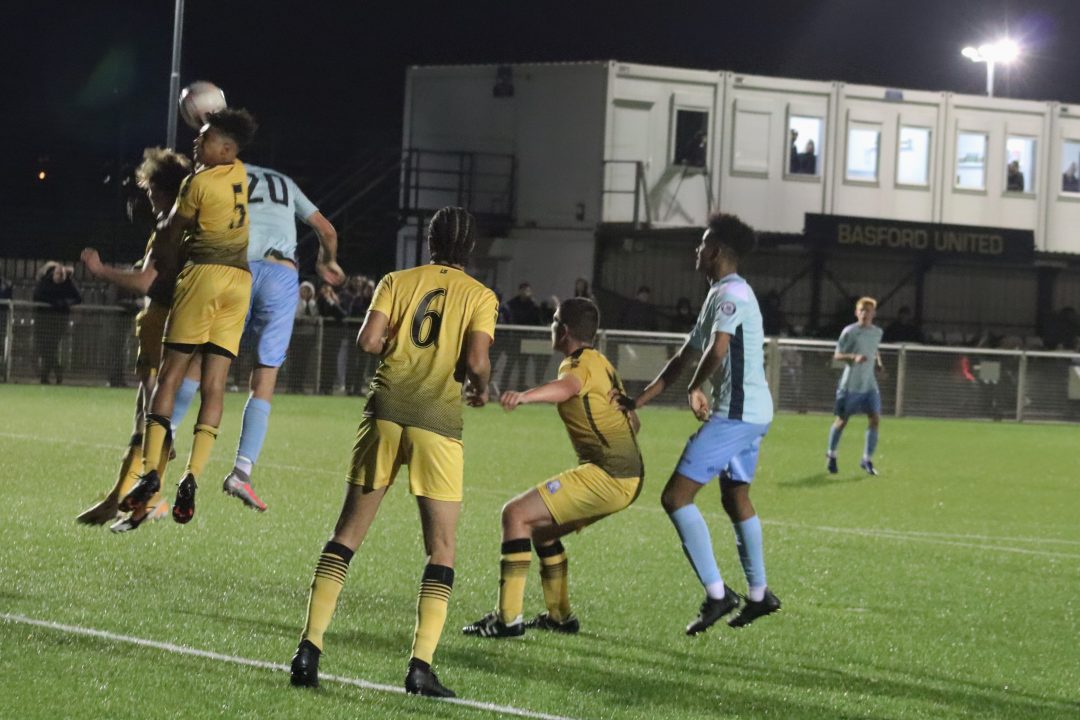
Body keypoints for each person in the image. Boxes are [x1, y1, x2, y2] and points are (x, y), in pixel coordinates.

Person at [289, 207, 497, 698]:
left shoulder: (396, 280)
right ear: (471, 250)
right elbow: (475, 361)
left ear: (429, 242)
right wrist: (481, 386)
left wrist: (398, 350)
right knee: (441, 549)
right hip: (438, 423)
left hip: (384, 410)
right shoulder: (480, 296)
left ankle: (308, 649)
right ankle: (420, 667)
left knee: (346, 535)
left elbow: (367, 341)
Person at [614, 213, 780, 634]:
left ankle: (718, 594)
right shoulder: (718, 295)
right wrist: (640, 399)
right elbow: (686, 355)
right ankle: (759, 596)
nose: (697, 250)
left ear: (718, 251)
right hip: (752, 413)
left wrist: (694, 387)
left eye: (702, 244)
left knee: (675, 497)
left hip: (737, 414)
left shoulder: (733, 294)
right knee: (735, 498)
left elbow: (718, 351)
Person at [462, 297, 643, 638]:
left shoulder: (577, 366)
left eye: (555, 320)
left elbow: (568, 388)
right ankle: (560, 617)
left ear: (565, 331)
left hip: (609, 475)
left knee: (514, 515)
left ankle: (507, 620)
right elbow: (634, 423)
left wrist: (524, 396)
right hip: (626, 476)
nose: (551, 325)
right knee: (542, 531)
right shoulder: (602, 362)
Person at [119, 108, 259, 525]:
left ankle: (150, 475)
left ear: (226, 148)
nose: (196, 143)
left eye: (205, 138)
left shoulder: (196, 184)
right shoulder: (242, 173)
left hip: (204, 278)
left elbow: (170, 233)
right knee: (215, 385)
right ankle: (193, 475)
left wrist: (159, 221)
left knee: (170, 376)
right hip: (240, 283)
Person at [213, 162, 344, 512]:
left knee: (208, 362)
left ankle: (168, 437)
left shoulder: (229, 173)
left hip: (238, 266)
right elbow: (327, 231)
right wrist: (325, 262)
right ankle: (241, 471)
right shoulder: (284, 182)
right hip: (281, 275)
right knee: (264, 379)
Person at [75, 147, 192, 531]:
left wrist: (99, 269)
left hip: (163, 322)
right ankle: (127, 498)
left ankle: (123, 501)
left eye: (151, 191)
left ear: (162, 190)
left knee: (150, 416)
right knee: (153, 416)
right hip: (193, 326)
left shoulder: (168, 229)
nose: (149, 199)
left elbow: (145, 281)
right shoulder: (196, 226)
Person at [826, 297, 884, 476]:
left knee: (874, 419)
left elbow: (874, 349)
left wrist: (879, 362)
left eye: (869, 311)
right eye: (862, 310)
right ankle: (832, 454)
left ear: (874, 313)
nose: (865, 314)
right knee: (842, 421)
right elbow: (837, 355)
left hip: (869, 384)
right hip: (851, 384)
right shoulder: (850, 331)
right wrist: (853, 357)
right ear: (857, 312)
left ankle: (867, 459)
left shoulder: (877, 332)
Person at [32, 261, 82, 384]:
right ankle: (56, 369)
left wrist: (65, 303)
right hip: (43, 319)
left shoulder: (67, 283)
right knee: (44, 348)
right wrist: (55, 302)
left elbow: (78, 298)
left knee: (51, 347)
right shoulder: (45, 282)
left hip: (59, 320)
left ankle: (45, 377)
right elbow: (37, 295)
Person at [287, 281, 319, 393]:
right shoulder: (295, 302)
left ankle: (300, 386)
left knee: (304, 363)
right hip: (297, 336)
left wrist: (305, 319)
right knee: (294, 362)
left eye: (307, 291)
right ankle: (291, 386)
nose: (304, 293)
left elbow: (315, 319)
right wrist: (304, 319)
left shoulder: (313, 304)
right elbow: (296, 318)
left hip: (308, 337)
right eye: (303, 290)